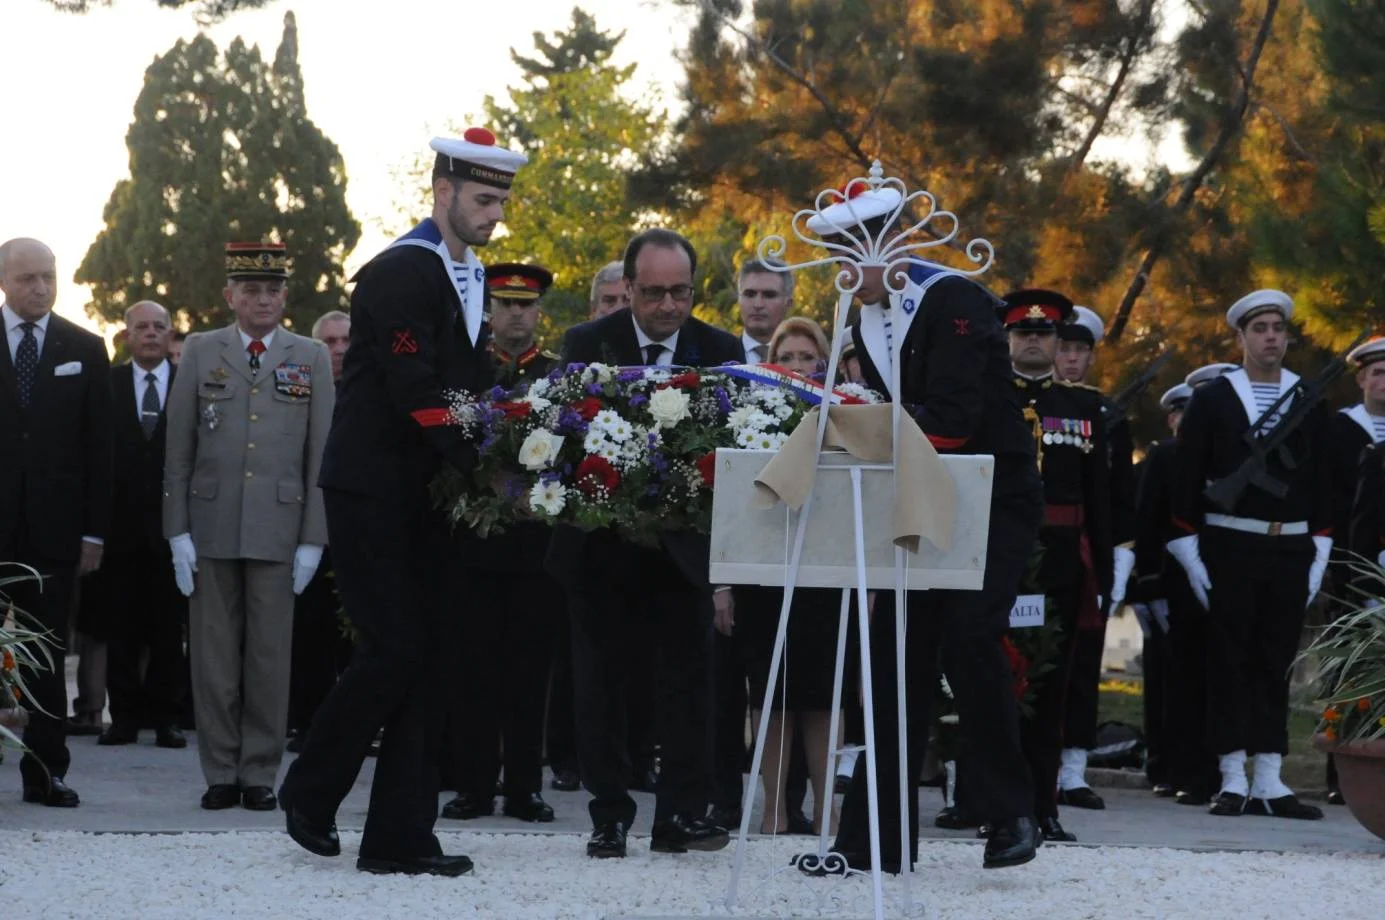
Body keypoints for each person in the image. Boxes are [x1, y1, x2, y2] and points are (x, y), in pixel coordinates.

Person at [278, 129, 523, 877]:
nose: (493, 216)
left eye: (501, 202)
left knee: (429, 658)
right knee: (396, 648)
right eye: (483, 200)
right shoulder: (399, 273)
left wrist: (517, 435)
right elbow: (417, 393)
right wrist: (488, 461)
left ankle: (398, 838)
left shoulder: (466, 273)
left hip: (424, 490)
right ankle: (310, 794)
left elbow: (468, 383)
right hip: (372, 487)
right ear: (442, 193)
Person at [804, 186, 1043, 873]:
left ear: (890, 244)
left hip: (989, 496)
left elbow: (952, 419)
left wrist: (853, 431)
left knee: (970, 636)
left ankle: (1008, 812)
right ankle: (873, 840)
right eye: (832, 259)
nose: (841, 274)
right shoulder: (864, 318)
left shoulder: (954, 300)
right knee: (893, 659)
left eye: (847, 256)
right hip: (919, 494)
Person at [549, 227, 742, 860]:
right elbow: (565, 439)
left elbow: (734, 448)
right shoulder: (587, 344)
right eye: (654, 291)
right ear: (627, 288)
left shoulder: (720, 349)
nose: (668, 305)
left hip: (682, 552)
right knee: (600, 684)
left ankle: (680, 815)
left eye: (680, 291)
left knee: (687, 686)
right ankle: (609, 816)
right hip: (600, 548)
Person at [163, 241, 334, 813]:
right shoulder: (200, 350)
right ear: (229, 295)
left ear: (286, 295)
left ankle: (260, 770)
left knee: (268, 657)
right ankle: (219, 770)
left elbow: (320, 457)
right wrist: (176, 531)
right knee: (212, 657)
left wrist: (314, 537)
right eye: (251, 290)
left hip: (280, 527)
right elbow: (178, 447)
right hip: (211, 523)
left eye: (273, 290)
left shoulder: (308, 355)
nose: (263, 300)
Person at [1167, 290, 1329, 820]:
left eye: (1279, 328)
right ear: (1240, 337)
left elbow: (1326, 483)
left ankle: (1270, 778)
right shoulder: (1214, 399)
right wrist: (1190, 554)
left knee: (1275, 661)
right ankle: (1232, 775)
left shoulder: (1308, 395)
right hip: (1230, 544)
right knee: (1230, 661)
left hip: (1289, 545)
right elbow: (1185, 479)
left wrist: (1318, 551)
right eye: (1260, 327)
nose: (1271, 337)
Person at [441, 262, 562, 824]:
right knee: (473, 668)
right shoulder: (466, 370)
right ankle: (473, 784)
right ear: (490, 308)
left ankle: (523, 786)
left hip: (536, 545)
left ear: (540, 312)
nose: (516, 313)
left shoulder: (558, 376)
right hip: (474, 544)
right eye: (506, 303)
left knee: (530, 670)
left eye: (526, 304)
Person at [0, 237, 113, 808]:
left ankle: (46, 772)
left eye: (48, 276)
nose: (40, 287)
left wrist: (94, 531)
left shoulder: (85, 347)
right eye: (27, 279)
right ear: (4, 281)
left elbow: (100, 449)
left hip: (56, 531)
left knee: (45, 656)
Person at [1003, 289, 1112, 842]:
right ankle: (991, 804)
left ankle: (1044, 804)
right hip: (1002, 561)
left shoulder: (1084, 408)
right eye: (1024, 334)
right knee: (995, 683)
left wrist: (1106, 577)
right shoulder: (989, 400)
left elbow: (1100, 503)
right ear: (1009, 339)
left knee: (1052, 689)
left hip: (1062, 567)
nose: (1035, 343)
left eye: (1044, 335)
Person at [736, 315, 850, 836]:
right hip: (765, 567)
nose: (800, 366)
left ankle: (828, 811)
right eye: (790, 357)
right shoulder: (744, 410)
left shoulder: (848, 411)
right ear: (771, 363)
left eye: (809, 357)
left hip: (827, 571)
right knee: (771, 696)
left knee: (823, 698)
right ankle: (773, 810)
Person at [86, 301, 186, 749]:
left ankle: (166, 718)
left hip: (175, 529)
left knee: (169, 629)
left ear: (170, 335)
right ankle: (123, 718)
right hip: (118, 528)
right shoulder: (105, 385)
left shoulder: (191, 385)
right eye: (141, 327)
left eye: (158, 327)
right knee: (120, 626)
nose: (150, 333)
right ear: (125, 335)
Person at [1052, 304, 1134, 809]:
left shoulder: (1106, 414)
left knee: (1082, 662)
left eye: (1081, 350)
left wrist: (1117, 560)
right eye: (1065, 348)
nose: (1072, 359)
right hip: (1042, 545)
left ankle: (1075, 767)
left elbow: (1117, 495)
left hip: (1085, 550)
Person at [285, 310, 355, 753]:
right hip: (307, 528)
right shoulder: (295, 395)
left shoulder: (372, 393)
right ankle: (307, 723)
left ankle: (354, 727)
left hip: (356, 531)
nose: (339, 349)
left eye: (346, 340)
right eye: (329, 341)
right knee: (309, 634)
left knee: (355, 636)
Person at [1322, 336, 1385, 804]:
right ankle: (1340, 772)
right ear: (1361, 378)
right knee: (1348, 668)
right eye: (1377, 373)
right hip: (1349, 564)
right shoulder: (1340, 430)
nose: (1384, 382)